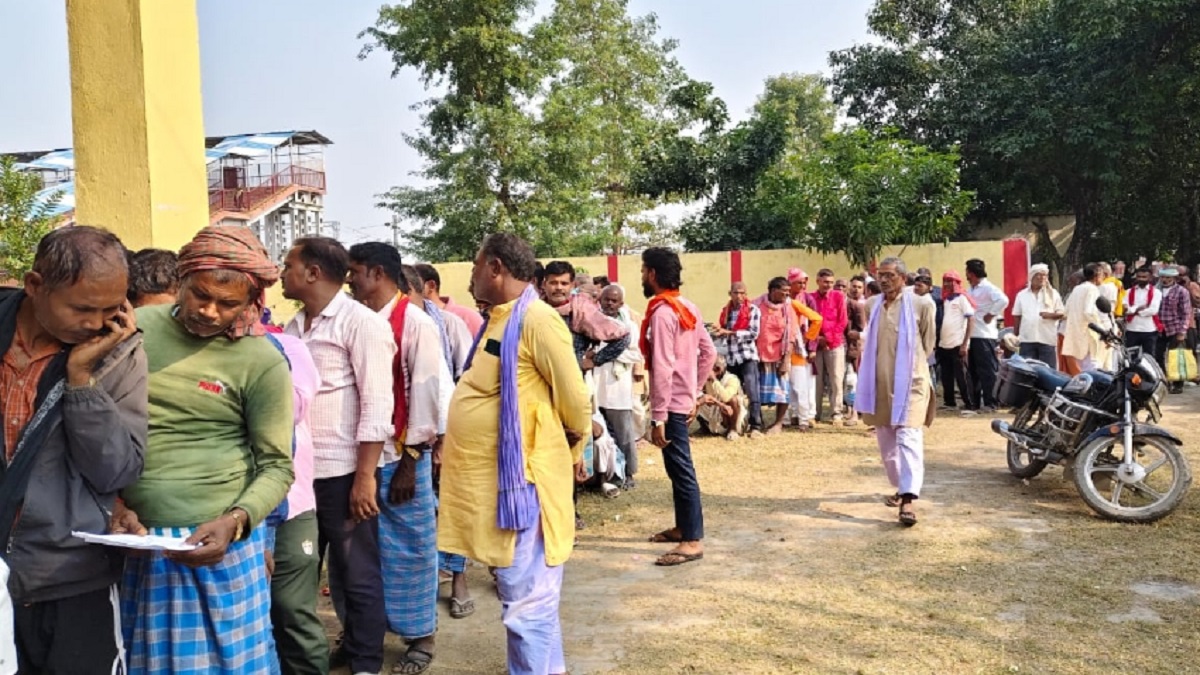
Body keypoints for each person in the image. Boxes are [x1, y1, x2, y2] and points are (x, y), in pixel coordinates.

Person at [120, 225, 294, 674]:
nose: (210, 312)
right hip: (139, 545)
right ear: (180, 280)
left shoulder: (262, 361)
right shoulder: (132, 331)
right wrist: (114, 504)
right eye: (200, 295)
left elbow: (277, 467)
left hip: (222, 550)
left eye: (228, 304)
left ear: (251, 303)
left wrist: (236, 521)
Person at [437, 233, 591, 675]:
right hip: (503, 487)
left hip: (529, 484)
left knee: (528, 608)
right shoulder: (499, 319)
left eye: (474, 265)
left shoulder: (538, 320)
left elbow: (576, 404)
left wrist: (569, 450)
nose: (469, 277)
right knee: (526, 604)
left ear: (496, 268)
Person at [1, 227, 146, 674]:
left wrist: (81, 381)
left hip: (70, 574)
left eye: (111, 308)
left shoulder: (119, 352)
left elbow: (117, 470)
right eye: (83, 308)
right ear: (35, 286)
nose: (98, 323)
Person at [282, 237, 395, 675]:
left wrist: (365, 477)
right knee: (302, 573)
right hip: (299, 474)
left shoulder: (359, 323)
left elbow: (376, 405)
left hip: (345, 472)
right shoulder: (294, 328)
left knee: (357, 573)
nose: (282, 272)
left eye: (289, 264)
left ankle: (366, 662)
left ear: (313, 272)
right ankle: (318, 653)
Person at [348, 244, 445, 674]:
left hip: (403, 455)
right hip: (362, 455)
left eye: (353, 273)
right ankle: (363, 634)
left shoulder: (416, 323)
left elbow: (427, 393)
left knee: (412, 549)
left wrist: (411, 461)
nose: (348, 280)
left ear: (375, 273)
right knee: (363, 554)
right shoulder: (359, 320)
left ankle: (421, 636)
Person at [640, 247, 717, 567]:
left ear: (653, 274)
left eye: (644, 270)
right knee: (676, 467)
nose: (642, 276)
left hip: (671, 405)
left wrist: (658, 416)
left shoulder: (663, 313)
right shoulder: (688, 307)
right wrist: (695, 391)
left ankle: (692, 540)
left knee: (682, 469)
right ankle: (684, 527)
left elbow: (662, 367)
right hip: (681, 401)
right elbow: (709, 353)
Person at [259, 328, 330, 675]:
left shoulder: (287, 347)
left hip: (289, 504)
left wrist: (253, 354)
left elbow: (294, 407)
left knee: (292, 611)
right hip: (225, 509)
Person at [857, 257, 937, 526]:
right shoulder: (871, 305)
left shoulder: (921, 304)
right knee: (887, 442)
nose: (884, 280)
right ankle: (901, 485)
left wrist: (909, 369)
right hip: (879, 383)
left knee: (908, 436)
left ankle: (908, 499)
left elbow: (927, 344)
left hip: (912, 381)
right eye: (881, 275)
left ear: (903, 278)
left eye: (890, 275)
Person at [595, 285, 643, 486]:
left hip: (618, 387)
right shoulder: (593, 323)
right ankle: (605, 475)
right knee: (601, 434)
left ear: (621, 303)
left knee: (624, 434)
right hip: (597, 386)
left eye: (614, 300)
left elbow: (636, 354)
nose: (609, 303)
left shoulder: (629, 326)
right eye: (606, 299)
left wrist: (610, 351)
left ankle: (629, 473)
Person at [712, 282, 762, 438]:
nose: (740, 296)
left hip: (747, 356)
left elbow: (753, 333)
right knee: (731, 394)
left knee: (752, 392)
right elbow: (725, 332)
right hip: (731, 358)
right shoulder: (726, 311)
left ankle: (756, 426)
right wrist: (720, 333)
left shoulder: (753, 310)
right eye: (736, 293)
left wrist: (728, 332)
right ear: (730, 293)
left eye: (743, 293)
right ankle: (732, 425)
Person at [753, 277, 799, 435]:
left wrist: (786, 360)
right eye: (784, 291)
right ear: (772, 291)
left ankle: (778, 423)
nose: (787, 294)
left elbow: (791, 335)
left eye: (788, 291)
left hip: (780, 355)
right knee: (754, 390)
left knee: (782, 390)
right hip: (758, 355)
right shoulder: (756, 305)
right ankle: (757, 423)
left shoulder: (788, 308)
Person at [965, 259, 1009, 413]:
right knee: (973, 371)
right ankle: (975, 403)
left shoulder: (988, 288)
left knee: (988, 371)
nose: (967, 275)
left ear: (971, 273)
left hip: (984, 335)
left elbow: (1003, 300)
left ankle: (992, 403)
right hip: (972, 335)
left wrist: (991, 314)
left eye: (968, 272)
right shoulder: (970, 289)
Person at [810, 268, 849, 424]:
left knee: (836, 379)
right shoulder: (810, 298)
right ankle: (815, 413)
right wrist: (817, 339)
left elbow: (843, 321)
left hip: (834, 344)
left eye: (831, 282)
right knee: (816, 381)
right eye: (825, 282)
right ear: (818, 281)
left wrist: (828, 338)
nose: (828, 285)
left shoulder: (838, 297)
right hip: (816, 345)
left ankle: (836, 413)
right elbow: (807, 321)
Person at [937, 271, 977, 414]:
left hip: (958, 343)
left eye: (950, 281)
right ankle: (950, 402)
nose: (947, 284)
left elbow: (971, 320)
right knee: (946, 375)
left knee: (962, 376)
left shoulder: (962, 299)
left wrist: (965, 343)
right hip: (944, 343)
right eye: (945, 281)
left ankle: (970, 404)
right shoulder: (945, 300)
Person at [1011, 263, 1065, 365]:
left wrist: (1049, 315)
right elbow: (1017, 315)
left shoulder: (1053, 294)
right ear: (1032, 277)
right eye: (1038, 275)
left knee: (1048, 371)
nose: (1042, 278)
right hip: (1027, 339)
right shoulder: (1022, 295)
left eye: (1044, 275)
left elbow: (1062, 313)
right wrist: (1016, 334)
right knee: (1027, 370)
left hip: (1047, 339)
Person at [787, 288, 824, 431]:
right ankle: (787, 418)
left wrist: (807, 337)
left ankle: (803, 420)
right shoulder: (769, 304)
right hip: (777, 352)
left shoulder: (793, 304)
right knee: (785, 388)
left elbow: (817, 319)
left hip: (795, 352)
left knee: (799, 387)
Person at [413, 263, 484, 337]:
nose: (404, 292)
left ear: (431, 286)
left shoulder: (468, 317)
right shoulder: (411, 320)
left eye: (411, 286)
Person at [1061, 263, 1108, 374]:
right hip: (1087, 333)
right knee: (1092, 367)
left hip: (1073, 333)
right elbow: (1088, 312)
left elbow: (1066, 312)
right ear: (1097, 275)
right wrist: (1102, 329)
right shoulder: (1092, 289)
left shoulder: (1077, 289)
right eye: (1102, 274)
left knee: (1079, 367)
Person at [1157, 266, 1191, 392]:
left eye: (1168, 278)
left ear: (1174, 278)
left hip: (1175, 328)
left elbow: (1186, 313)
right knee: (1157, 356)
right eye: (1163, 277)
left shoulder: (1182, 291)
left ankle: (1178, 384)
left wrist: (1182, 331)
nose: (1165, 280)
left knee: (1176, 357)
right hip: (1159, 328)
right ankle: (1163, 381)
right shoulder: (1156, 290)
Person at [696, 356, 747, 439]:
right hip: (716, 413)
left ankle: (733, 430)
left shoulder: (732, 379)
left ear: (717, 369)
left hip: (733, 419)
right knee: (698, 397)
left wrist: (714, 380)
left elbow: (726, 397)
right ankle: (705, 427)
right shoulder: (707, 379)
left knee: (733, 400)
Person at [1123, 265, 1162, 363]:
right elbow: (1125, 309)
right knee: (1131, 356)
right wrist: (1138, 308)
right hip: (1132, 329)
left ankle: (1149, 377)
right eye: (1139, 276)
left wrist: (1133, 310)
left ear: (1150, 278)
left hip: (1149, 329)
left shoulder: (1156, 292)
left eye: (1144, 277)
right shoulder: (1128, 292)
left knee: (1149, 356)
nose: (1141, 279)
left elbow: (1153, 310)